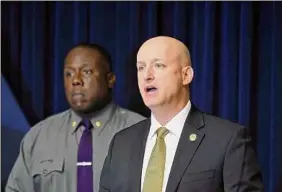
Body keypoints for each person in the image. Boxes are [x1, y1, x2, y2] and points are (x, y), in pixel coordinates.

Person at [99, 36, 264, 192]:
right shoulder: (121, 143)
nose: (147, 76)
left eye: (158, 65)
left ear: (186, 75)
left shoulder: (228, 140)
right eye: (141, 67)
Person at [5, 43, 145, 192]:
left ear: (110, 79)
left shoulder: (142, 132)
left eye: (86, 72)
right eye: (69, 73)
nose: (76, 80)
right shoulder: (38, 136)